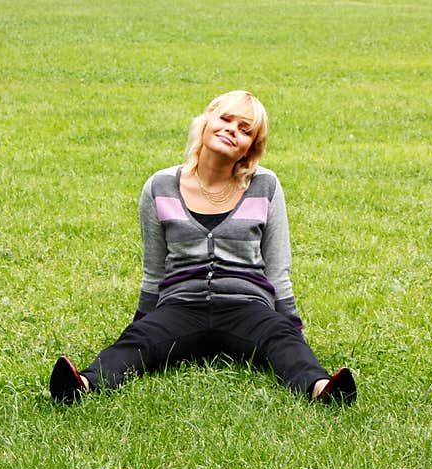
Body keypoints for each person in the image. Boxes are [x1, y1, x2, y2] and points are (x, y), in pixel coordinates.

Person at [50, 90, 356, 406]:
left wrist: (292, 330)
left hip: (247, 306)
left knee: (280, 339)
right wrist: (142, 322)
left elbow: (278, 270)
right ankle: (83, 384)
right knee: (138, 342)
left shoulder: (266, 186)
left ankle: (321, 388)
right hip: (181, 305)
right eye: (225, 119)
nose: (231, 130)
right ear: (206, 120)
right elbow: (154, 271)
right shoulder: (159, 187)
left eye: (245, 129)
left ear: (252, 147)